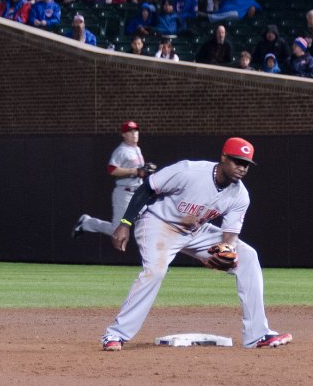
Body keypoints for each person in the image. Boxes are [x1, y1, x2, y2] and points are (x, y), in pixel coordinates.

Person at [100, 137, 293, 351]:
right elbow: (147, 187)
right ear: (223, 158)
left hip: (195, 231)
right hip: (158, 224)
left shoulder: (240, 196)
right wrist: (125, 223)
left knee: (248, 256)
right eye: (237, 161)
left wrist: (226, 252)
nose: (241, 168)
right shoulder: (189, 171)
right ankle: (115, 334)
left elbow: (230, 235)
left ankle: (257, 334)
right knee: (155, 271)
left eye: (246, 164)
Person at [73, 120, 154, 238]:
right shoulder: (121, 150)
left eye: (135, 130)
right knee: (116, 231)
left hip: (137, 192)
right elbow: (111, 169)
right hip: (124, 194)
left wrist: (143, 171)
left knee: (150, 222)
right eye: (130, 131)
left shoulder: (137, 149)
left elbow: (137, 171)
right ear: (123, 134)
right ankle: (86, 223)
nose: (134, 133)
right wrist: (135, 171)